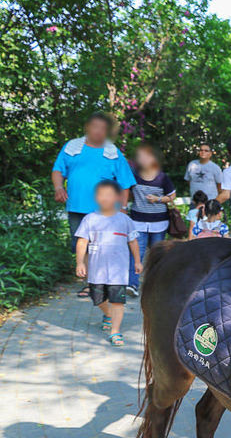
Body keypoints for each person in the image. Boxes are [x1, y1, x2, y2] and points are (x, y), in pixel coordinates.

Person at [52, 111, 135, 297]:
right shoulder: (72, 147)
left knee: (105, 246)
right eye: (95, 126)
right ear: (87, 128)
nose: (98, 131)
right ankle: (91, 284)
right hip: (77, 208)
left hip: (106, 211)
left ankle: (109, 282)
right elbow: (58, 170)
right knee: (82, 245)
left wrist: (122, 208)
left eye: (103, 128)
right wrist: (58, 188)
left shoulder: (113, 152)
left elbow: (125, 183)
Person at [74, 180, 142, 347]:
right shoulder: (90, 219)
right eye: (101, 194)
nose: (105, 198)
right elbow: (82, 242)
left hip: (118, 271)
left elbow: (133, 242)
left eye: (109, 194)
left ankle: (115, 331)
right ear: (96, 198)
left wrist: (138, 262)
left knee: (118, 300)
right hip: (96, 270)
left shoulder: (124, 219)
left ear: (117, 197)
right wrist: (80, 263)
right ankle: (108, 314)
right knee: (96, 297)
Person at [127, 143, 176, 296]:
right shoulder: (133, 176)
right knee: (136, 254)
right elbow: (126, 192)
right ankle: (132, 285)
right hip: (138, 222)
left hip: (159, 223)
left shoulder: (162, 177)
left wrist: (158, 199)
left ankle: (155, 286)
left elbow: (172, 196)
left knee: (158, 255)